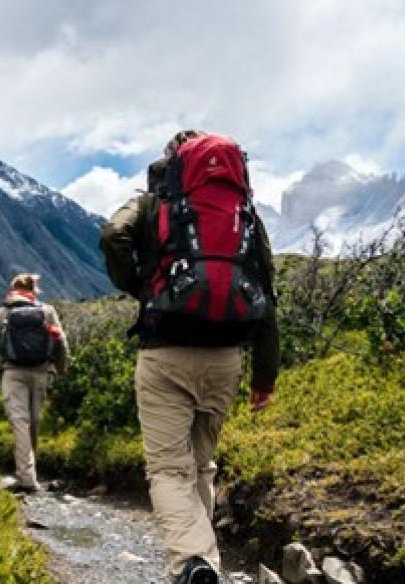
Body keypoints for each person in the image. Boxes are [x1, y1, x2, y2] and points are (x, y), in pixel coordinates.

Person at [100, 130, 280, 584]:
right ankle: (208, 564)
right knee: (202, 464)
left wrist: (142, 285)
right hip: (226, 357)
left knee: (166, 468)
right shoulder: (244, 214)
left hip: (166, 353)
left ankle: (192, 563)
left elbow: (111, 234)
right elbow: (266, 290)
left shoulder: (154, 203)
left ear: (174, 162)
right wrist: (265, 377)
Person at [0, 273, 68, 493]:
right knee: (34, 421)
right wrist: (61, 370)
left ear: (13, 289)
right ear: (34, 290)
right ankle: (30, 473)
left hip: (12, 373)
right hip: (40, 373)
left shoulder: (3, 312)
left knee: (19, 422)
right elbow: (61, 342)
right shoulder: (47, 311)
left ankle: (27, 478)